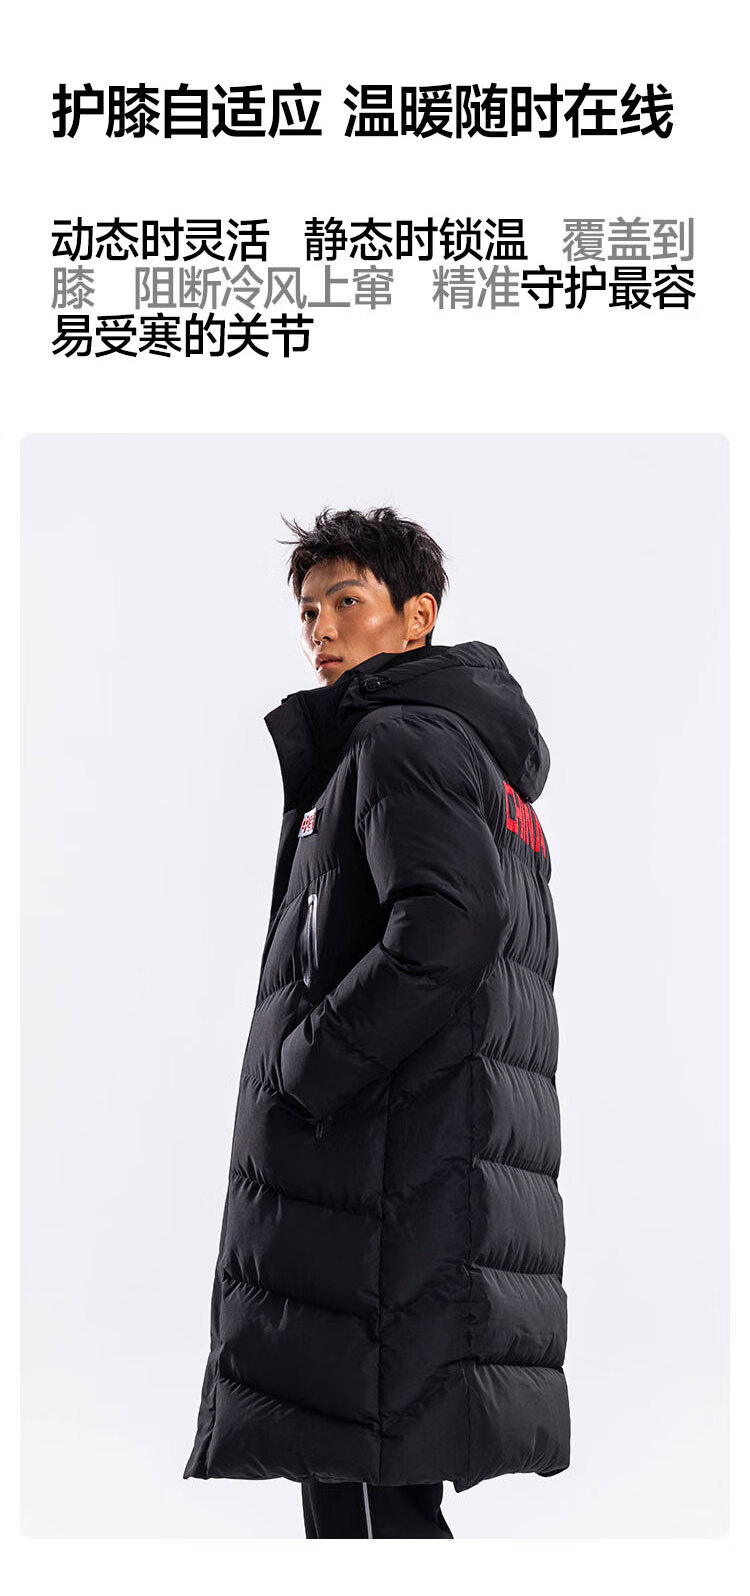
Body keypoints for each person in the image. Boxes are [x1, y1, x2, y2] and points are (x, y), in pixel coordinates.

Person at [183, 507, 570, 1539]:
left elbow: (446, 930)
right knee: (374, 1487)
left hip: (376, 1183)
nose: (322, 628)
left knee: (367, 1500)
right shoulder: (476, 766)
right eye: (309, 611)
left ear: (417, 616)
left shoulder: (399, 739)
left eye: (347, 602)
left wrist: (306, 1070)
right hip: (411, 1175)